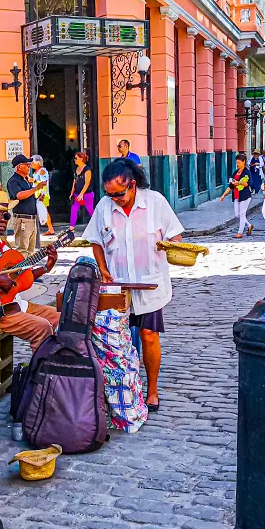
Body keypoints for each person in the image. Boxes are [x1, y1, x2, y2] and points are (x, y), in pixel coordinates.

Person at [84, 159, 183, 412]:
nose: (115, 198)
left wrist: (171, 246)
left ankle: (151, 391)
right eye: (110, 194)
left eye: (119, 193)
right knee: (118, 340)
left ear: (133, 184)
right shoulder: (104, 207)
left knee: (149, 336)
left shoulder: (155, 202)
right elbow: (95, 240)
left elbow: (175, 235)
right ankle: (124, 388)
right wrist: (104, 270)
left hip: (150, 284)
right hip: (118, 287)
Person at [0, 190, 60, 351]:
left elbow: (19, 278)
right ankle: (38, 372)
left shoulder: (1, 241)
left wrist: (46, 267)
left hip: (15, 303)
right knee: (42, 327)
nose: (2, 220)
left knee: (59, 318)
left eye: (6, 216)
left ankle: (53, 366)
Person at [7, 154, 42, 256]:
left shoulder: (26, 180)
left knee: (30, 251)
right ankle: (21, 271)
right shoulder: (13, 181)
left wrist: (37, 198)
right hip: (22, 219)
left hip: (31, 219)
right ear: (19, 167)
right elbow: (19, 195)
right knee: (22, 250)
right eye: (27, 164)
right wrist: (36, 188)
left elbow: (28, 196)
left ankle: (28, 271)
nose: (29, 166)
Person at [220, 154, 255, 239]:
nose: (237, 164)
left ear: (243, 162)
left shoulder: (247, 172)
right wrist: (224, 195)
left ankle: (240, 232)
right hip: (236, 196)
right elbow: (230, 185)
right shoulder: (235, 172)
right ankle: (249, 225)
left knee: (242, 214)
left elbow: (248, 184)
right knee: (237, 215)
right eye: (237, 162)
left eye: (239, 162)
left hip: (245, 196)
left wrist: (239, 182)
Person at [30, 155, 55, 236]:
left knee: (44, 211)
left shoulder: (42, 171)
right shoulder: (36, 172)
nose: (31, 164)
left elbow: (44, 182)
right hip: (37, 193)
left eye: (32, 162)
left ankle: (51, 229)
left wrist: (33, 180)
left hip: (42, 193)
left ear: (37, 163)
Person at [69, 152, 94, 230]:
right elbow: (75, 181)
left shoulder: (87, 169)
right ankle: (71, 227)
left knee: (90, 210)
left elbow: (87, 183)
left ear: (81, 159)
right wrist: (72, 192)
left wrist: (81, 194)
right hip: (77, 193)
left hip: (87, 194)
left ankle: (97, 224)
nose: (74, 160)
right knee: (74, 209)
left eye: (76, 158)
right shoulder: (77, 169)